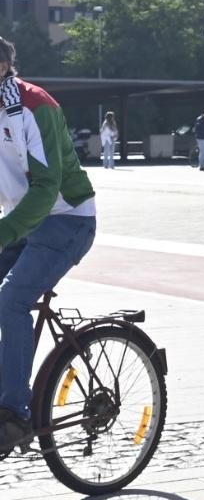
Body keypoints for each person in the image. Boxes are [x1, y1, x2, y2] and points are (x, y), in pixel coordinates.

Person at [0, 35, 98, 451]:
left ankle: (13, 412)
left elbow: (46, 188)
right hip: (24, 222)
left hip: (67, 220)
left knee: (11, 300)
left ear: (4, 66)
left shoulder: (34, 106)